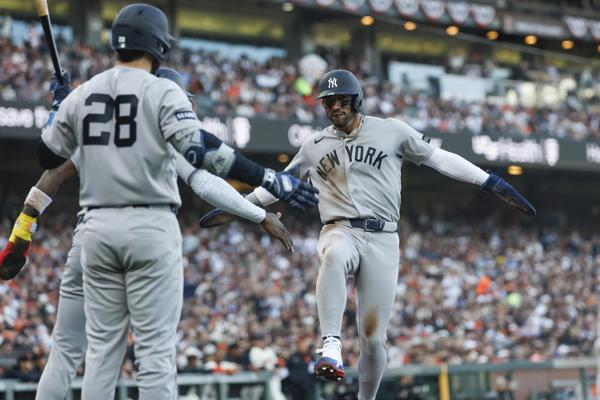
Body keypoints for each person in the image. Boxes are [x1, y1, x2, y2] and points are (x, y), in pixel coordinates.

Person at [198, 69, 536, 400]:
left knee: (374, 338)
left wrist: (490, 182)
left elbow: (440, 159)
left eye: (341, 100)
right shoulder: (314, 144)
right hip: (339, 228)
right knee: (332, 255)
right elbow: (279, 186)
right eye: (328, 102)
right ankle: (330, 343)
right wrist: (239, 207)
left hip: (384, 238)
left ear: (356, 99)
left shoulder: (391, 131)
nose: (334, 107)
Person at [34, 4, 316, 399]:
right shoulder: (160, 92)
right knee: (154, 355)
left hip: (94, 231)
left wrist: (59, 110)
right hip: (149, 225)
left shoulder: (86, 94)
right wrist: (267, 182)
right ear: (157, 45)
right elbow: (203, 166)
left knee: (95, 353)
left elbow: (48, 157)